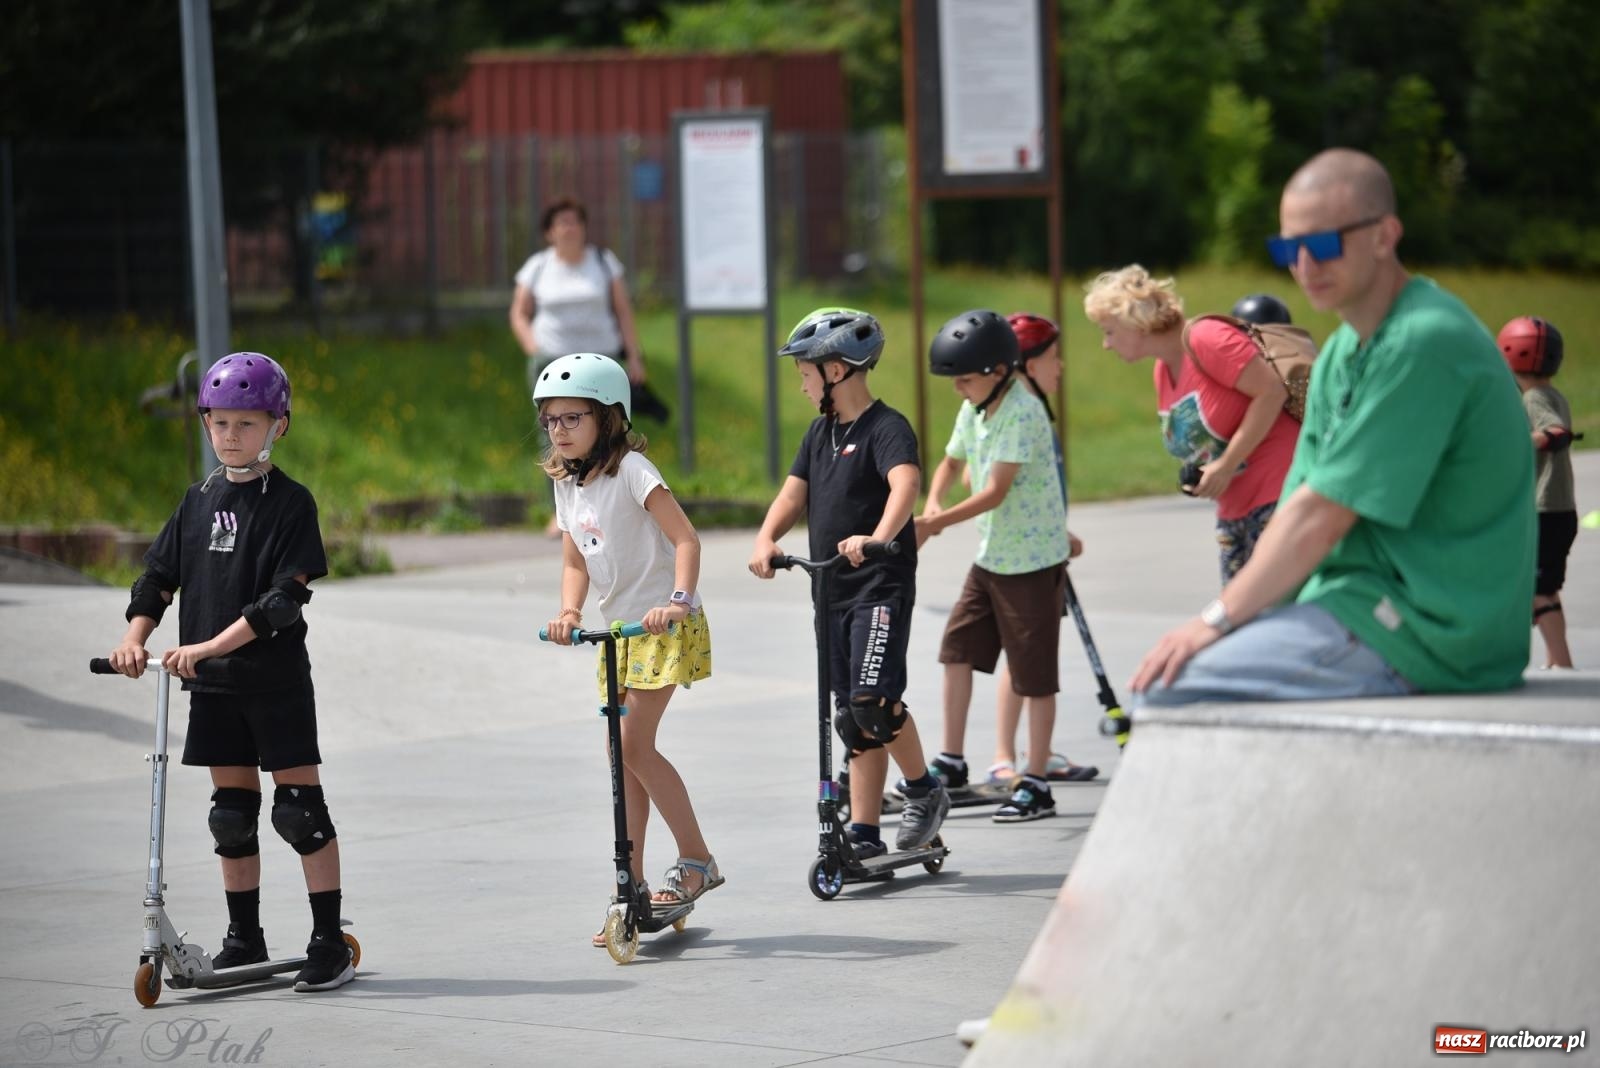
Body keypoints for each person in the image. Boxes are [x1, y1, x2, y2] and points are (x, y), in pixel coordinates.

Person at [1131, 148, 1536, 704]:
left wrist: (1214, 621)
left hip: (1430, 628)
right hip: (1357, 602)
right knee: (1187, 667)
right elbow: (1298, 502)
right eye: (1288, 248)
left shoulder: (1423, 341)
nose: (1305, 265)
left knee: (1173, 693)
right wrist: (1235, 619)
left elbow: (1322, 518)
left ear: (1384, 235)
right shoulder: (1343, 350)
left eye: (1323, 243)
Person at [106, 352, 354, 992]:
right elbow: (157, 580)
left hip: (273, 685)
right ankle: (245, 939)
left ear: (279, 425)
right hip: (213, 689)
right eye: (220, 423)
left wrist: (212, 644)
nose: (233, 435)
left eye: (248, 422)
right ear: (206, 425)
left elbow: (282, 603)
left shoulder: (292, 504)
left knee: (300, 813)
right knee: (232, 815)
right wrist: (135, 640)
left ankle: (328, 943)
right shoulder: (196, 501)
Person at [747, 308, 950, 857]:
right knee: (849, 714)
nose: (801, 380)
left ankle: (925, 790)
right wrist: (767, 538)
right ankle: (864, 829)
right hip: (830, 592)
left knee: (873, 701)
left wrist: (879, 537)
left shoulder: (887, 428)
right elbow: (793, 495)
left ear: (836, 370)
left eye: (806, 370)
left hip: (878, 587)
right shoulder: (820, 434)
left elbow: (904, 484)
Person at [534, 352, 721, 944]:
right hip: (617, 636)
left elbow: (685, 538)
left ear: (608, 418)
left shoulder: (634, 470)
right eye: (550, 420)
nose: (558, 430)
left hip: (663, 628)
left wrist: (678, 597)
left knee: (633, 744)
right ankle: (631, 886)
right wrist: (569, 611)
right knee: (625, 760)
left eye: (572, 418)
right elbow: (573, 559)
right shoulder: (568, 482)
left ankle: (697, 861)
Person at [916, 310, 1071, 823]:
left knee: (1033, 676)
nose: (957, 388)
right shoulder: (977, 407)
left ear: (998, 370)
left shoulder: (1022, 411)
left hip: (1029, 564)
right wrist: (933, 500)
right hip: (992, 557)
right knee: (956, 648)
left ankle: (1037, 782)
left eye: (963, 377)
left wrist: (934, 526)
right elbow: (952, 463)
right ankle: (952, 760)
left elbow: (994, 492)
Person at [1085, 267, 1301, 584]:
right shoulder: (1162, 370)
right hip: (1233, 509)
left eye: (1109, 331)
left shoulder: (1206, 338)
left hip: (1276, 494)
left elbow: (1272, 391)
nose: (1106, 344)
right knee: (1241, 623)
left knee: (1271, 620)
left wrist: (1225, 466)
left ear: (1136, 324)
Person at [983, 313, 1094, 787]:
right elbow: (983, 475)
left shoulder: (1027, 405)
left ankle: (1032, 751)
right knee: (1026, 657)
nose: (1061, 367)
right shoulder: (1019, 408)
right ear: (1025, 363)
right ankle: (1009, 756)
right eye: (1052, 357)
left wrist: (1057, 528)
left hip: (1040, 545)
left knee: (1027, 656)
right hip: (1022, 555)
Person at [509, 197, 653, 535]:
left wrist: (634, 356)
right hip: (554, 364)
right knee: (556, 434)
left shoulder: (603, 262)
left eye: (576, 221)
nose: (570, 228)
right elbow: (519, 313)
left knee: (607, 430)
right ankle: (561, 512)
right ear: (549, 232)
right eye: (562, 222)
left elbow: (623, 310)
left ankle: (611, 504)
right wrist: (534, 348)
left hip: (599, 363)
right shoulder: (538, 267)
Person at [1498, 316, 1579, 669]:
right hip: (1557, 509)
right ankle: (1555, 659)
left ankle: (1561, 662)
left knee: (1538, 590)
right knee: (1543, 587)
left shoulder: (1533, 400)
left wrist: (1524, 440)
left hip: (1545, 510)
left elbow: (1556, 433)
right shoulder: (1550, 394)